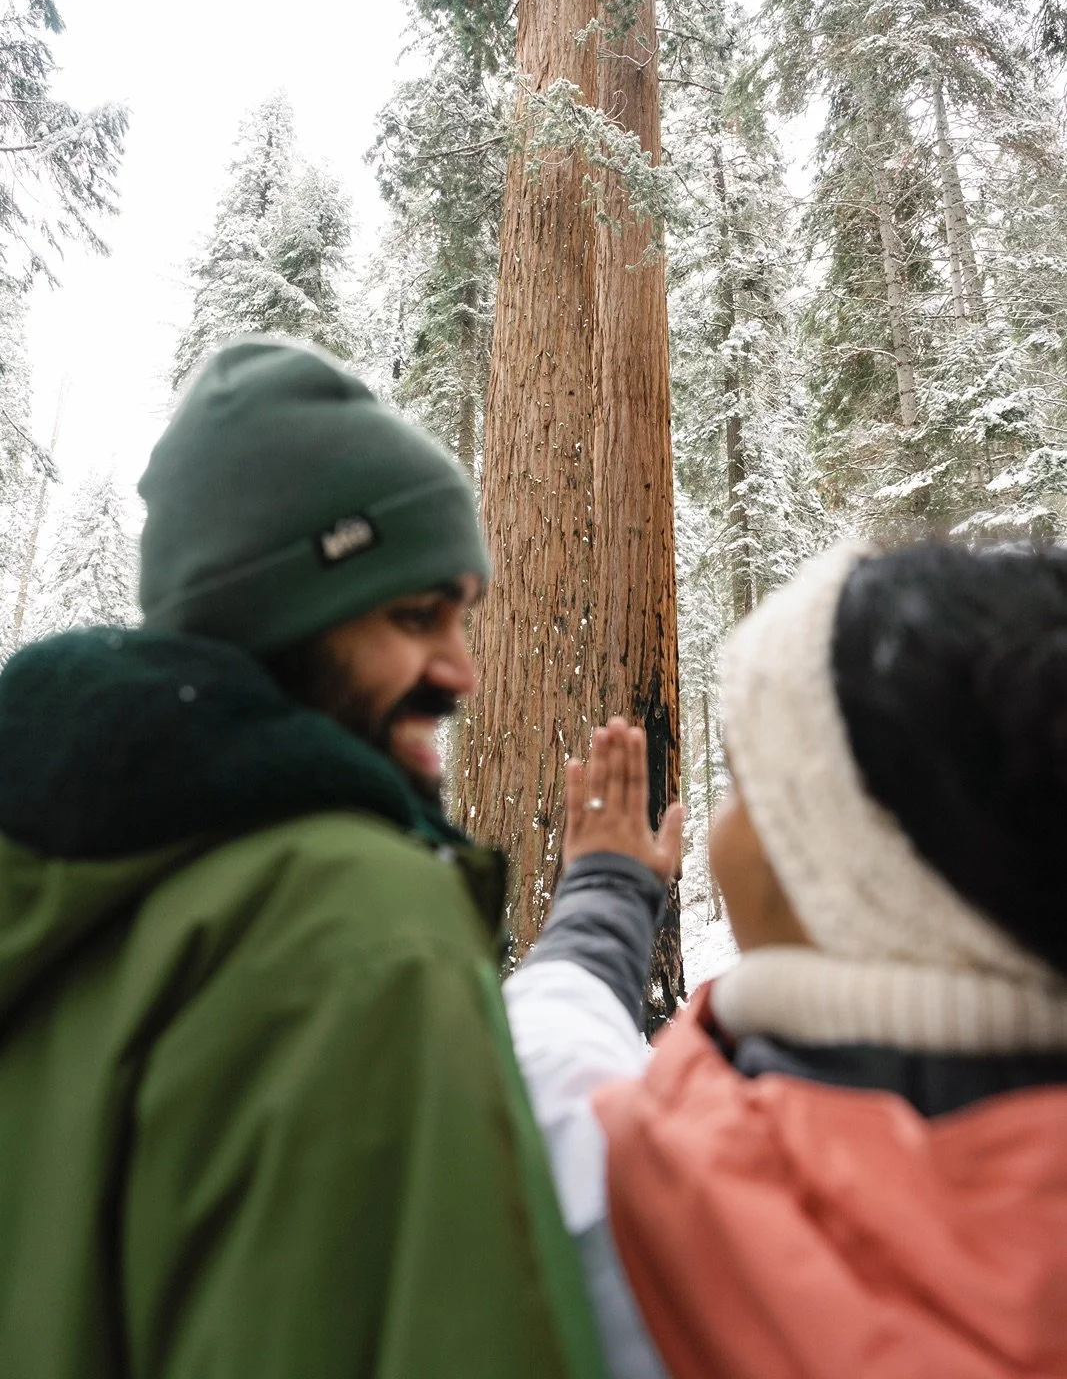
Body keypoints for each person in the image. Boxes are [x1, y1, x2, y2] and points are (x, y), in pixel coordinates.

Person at [0, 338, 604, 1379]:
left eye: (463, 617)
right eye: (415, 616)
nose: (462, 671)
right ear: (281, 619)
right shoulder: (357, 924)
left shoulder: (59, 893)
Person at [506, 539, 1067, 1379]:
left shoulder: (643, 1203)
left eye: (744, 788)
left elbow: (539, 1064)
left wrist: (605, 891)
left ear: (840, 865)